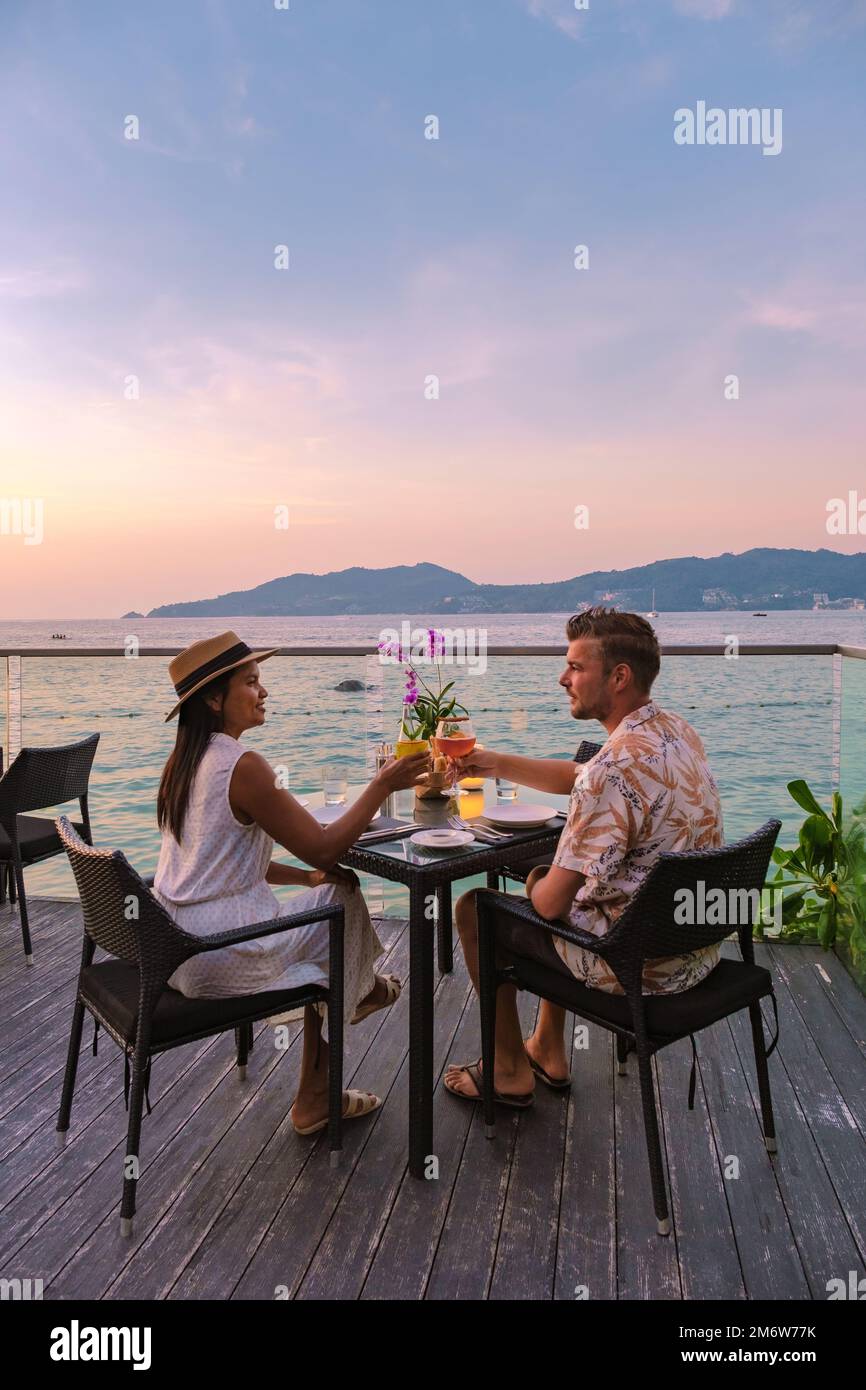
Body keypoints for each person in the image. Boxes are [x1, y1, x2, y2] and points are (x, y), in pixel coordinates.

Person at [443, 608, 724, 1109]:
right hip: (696, 952)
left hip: (637, 967)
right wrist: (494, 763)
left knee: (478, 909)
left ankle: (507, 1070)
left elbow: (550, 907)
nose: (562, 678)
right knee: (566, 884)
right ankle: (550, 1048)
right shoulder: (674, 732)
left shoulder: (611, 771)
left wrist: (535, 887)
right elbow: (580, 774)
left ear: (619, 677)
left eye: (575, 667)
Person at [153, 631, 428, 1135]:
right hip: (221, 952)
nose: (264, 692)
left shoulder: (185, 762)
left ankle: (327, 1069)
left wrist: (303, 876)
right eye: (252, 683)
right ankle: (355, 1002)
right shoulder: (244, 766)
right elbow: (324, 847)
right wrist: (382, 785)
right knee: (340, 898)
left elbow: (224, 864)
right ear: (214, 699)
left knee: (325, 898)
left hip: (173, 947)